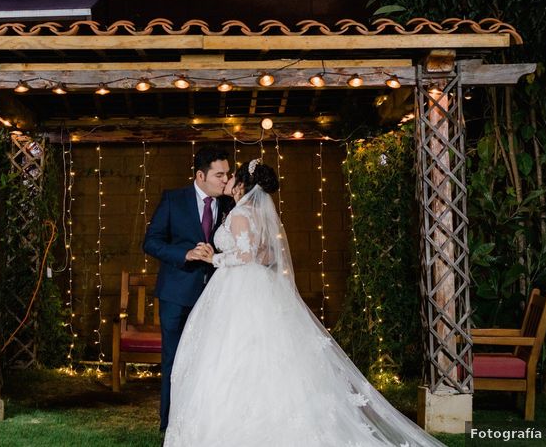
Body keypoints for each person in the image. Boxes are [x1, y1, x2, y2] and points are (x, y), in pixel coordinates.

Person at [164, 159, 445, 447]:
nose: (228, 181)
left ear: (242, 185)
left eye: (232, 176)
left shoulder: (239, 214)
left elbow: (247, 257)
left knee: (234, 350)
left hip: (237, 289)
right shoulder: (257, 214)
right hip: (258, 287)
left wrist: (215, 258)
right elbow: (265, 256)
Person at [143, 145, 234, 432]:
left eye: (228, 174)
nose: (225, 180)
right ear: (200, 175)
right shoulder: (173, 199)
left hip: (216, 297)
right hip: (176, 296)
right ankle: (168, 425)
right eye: (219, 174)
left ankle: (203, 426)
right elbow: (151, 242)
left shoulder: (231, 204)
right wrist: (185, 254)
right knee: (174, 361)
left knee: (211, 362)